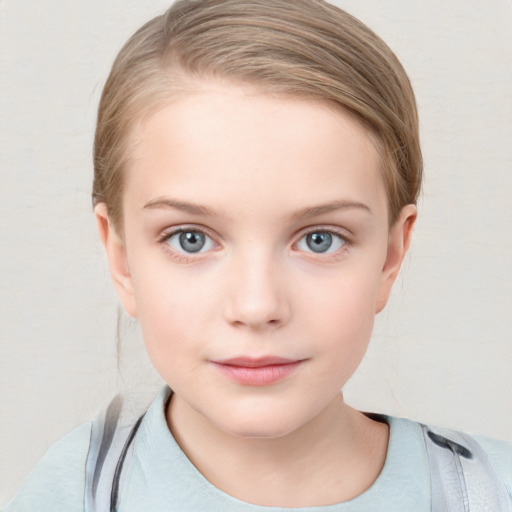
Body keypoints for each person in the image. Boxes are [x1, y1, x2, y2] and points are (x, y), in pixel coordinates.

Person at [3, 0, 511, 510]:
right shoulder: (68, 495)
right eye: (191, 239)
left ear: (389, 257)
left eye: (320, 239)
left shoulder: (495, 490)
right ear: (121, 259)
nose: (255, 306)